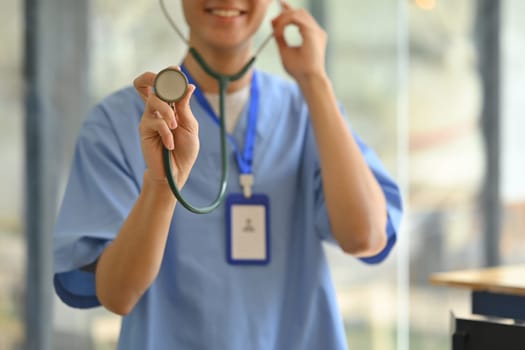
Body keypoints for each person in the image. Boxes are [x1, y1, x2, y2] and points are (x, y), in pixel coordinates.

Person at [53, 1, 403, 349]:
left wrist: (314, 80)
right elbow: (117, 295)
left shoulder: (307, 111)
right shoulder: (119, 122)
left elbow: (365, 236)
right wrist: (161, 186)